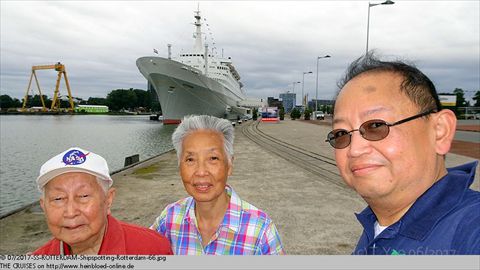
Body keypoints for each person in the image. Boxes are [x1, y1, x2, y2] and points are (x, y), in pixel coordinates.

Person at [326, 52, 480, 255]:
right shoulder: (376, 226)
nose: (355, 149)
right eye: (341, 134)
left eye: (376, 125)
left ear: (440, 131)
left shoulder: (470, 231)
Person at [151, 115, 285, 255]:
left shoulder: (260, 231)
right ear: (179, 167)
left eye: (213, 158)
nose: (201, 172)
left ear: (230, 165)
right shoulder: (169, 218)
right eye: (190, 159)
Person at [32, 147, 173, 255]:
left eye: (83, 196)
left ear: (108, 200)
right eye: (58, 198)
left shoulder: (153, 248)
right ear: (43, 206)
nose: (70, 212)